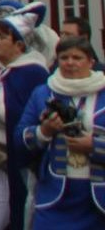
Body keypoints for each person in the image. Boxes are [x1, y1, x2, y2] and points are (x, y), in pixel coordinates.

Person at [0, 1, 53, 230]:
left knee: (21, 220)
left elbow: (33, 120)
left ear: (19, 45)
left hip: (20, 166)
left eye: (2, 36)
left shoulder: (33, 74)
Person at [19, 36, 105, 229]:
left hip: (99, 202)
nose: (70, 62)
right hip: (54, 199)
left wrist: (95, 146)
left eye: (77, 57)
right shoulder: (42, 93)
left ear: (91, 62)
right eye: (64, 57)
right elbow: (19, 139)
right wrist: (43, 131)